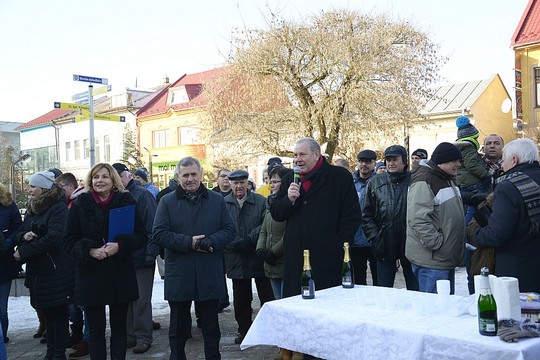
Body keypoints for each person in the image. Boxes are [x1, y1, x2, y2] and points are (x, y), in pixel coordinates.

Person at [153, 156, 236, 360]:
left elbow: (229, 229)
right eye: (185, 175)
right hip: (180, 272)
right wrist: (188, 242)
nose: (190, 179)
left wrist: (211, 241)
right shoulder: (167, 201)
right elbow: (159, 233)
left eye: (193, 174)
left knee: (210, 327)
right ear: (178, 177)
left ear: (201, 175)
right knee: (178, 327)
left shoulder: (216, 200)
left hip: (208, 270)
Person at [63, 163, 146, 360]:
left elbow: (141, 236)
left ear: (113, 180)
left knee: (119, 331)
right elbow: (68, 241)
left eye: (105, 177)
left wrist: (120, 245)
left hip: (119, 275)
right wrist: (89, 251)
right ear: (90, 181)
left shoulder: (126, 201)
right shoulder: (79, 205)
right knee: (96, 331)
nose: (100, 181)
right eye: (96, 177)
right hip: (91, 276)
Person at [270, 137, 361, 296]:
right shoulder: (289, 180)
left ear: (317, 154)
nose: (297, 160)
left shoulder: (339, 177)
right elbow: (276, 213)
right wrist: (288, 200)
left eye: (302, 155)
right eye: (295, 155)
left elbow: (351, 216)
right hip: (296, 259)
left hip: (328, 258)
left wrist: (338, 244)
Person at [13, 170, 73, 359]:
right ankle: (51, 352)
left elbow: (55, 238)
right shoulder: (33, 208)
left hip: (55, 270)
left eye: (33, 186)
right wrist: (24, 236)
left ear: (44, 188)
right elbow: (20, 231)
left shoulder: (58, 207)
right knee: (48, 313)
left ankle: (58, 353)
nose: (29, 190)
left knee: (58, 315)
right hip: (38, 272)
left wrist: (24, 251)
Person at [472, 138, 540, 293]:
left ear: (514, 160)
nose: (502, 166)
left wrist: (476, 234)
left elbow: (497, 234)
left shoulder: (509, 187)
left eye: (504, 161)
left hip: (519, 272)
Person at [112, 163, 159, 354]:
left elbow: (153, 226)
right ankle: (130, 335)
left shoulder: (142, 195)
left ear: (126, 176)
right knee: (127, 298)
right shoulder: (118, 196)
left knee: (141, 300)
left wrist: (150, 254)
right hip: (123, 256)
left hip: (142, 255)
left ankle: (143, 337)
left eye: (117, 177)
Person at [406, 142, 465, 293]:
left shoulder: (446, 177)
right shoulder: (424, 179)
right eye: (454, 161)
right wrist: (437, 244)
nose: (459, 164)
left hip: (443, 258)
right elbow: (417, 218)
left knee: (445, 306)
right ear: (441, 162)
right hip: (432, 261)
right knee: (434, 311)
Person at [224, 169, 274, 345]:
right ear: (230, 184)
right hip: (236, 257)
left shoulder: (260, 201)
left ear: (248, 183)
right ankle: (244, 329)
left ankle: (269, 329)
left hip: (257, 254)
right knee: (241, 299)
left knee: (267, 295)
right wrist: (236, 243)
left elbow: (265, 224)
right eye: (235, 183)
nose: (239, 186)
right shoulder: (223, 203)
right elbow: (222, 227)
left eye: (242, 182)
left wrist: (249, 240)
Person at [363, 145, 418, 290]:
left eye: (395, 159)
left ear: (404, 161)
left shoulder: (416, 181)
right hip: (384, 244)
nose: (390, 163)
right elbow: (366, 214)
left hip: (411, 244)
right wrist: (375, 237)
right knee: (384, 291)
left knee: (415, 290)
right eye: (388, 160)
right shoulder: (375, 182)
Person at [56, 173, 89, 357]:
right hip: (72, 259)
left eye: (61, 187)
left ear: (70, 186)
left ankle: (87, 339)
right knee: (75, 303)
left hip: (82, 259)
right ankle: (79, 335)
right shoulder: (69, 202)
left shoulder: (79, 201)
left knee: (86, 305)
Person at [0, 184, 23, 344]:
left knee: (1, 308)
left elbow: (18, 229)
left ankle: (2, 339)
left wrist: (7, 242)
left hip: (4, 262)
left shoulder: (7, 203)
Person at [351, 150, 378, 286]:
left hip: (374, 240)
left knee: (379, 281)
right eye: (361, 161)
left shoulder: (380, 182)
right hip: (354, 241)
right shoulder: (349, 182)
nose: (364, 165)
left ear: (374, 163)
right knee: (358, 282)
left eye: (368, 162)